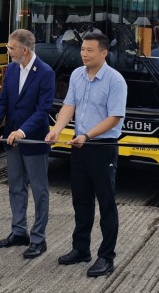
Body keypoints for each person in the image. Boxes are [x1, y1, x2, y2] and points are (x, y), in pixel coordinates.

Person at [45, 32, 127, 278]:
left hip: (102, 147)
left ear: (103, 53)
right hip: (79, 147)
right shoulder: (77, 75)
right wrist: (57, 130)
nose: (84, 54)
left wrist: (88, 136)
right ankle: (80, 249)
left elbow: (115, 117)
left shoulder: (115, 80)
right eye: (82, 49)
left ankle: (106, 257)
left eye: (90, 50)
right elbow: (69, 106)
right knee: (81, 201)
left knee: (106, 203)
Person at [0, 29, 54, 259]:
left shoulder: (45, 72)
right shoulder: (11, 70)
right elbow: (4, 99)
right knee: (15, 186)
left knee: (39, 190)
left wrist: (22, 131)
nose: (8, 52)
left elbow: (43, 109)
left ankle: (38, 238)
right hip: (12, 139)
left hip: (33, 139)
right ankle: (19, 232)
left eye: (11, 48)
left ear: (24, 50)